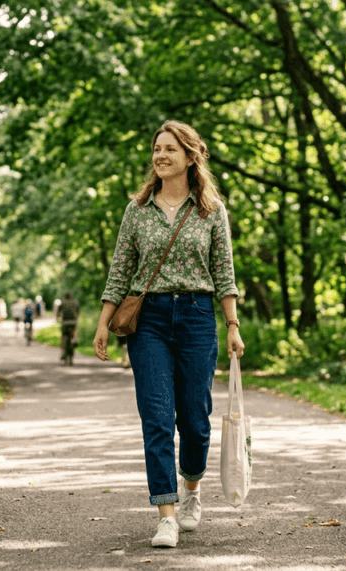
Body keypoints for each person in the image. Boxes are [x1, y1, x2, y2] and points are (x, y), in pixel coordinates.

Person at [93, 120, 245, 549]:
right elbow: (120, 270)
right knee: (157, 419)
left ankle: (191, 487)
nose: (160, 156)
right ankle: (166, 514)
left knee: (195, 422)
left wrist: (232, 326)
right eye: (156, 149)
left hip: (198, 317)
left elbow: (224, 274)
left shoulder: (212, 211)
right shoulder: (137, 210)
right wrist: (104, 322)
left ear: (190, 157)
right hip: (151, 320)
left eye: (169, 149)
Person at [57, 291, 80, 365]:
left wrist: (58, 319)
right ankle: (71, 358)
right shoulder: (75, 303)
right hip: (73, 323)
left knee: (64, 337)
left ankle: (63, 353)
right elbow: (78, 313)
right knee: (72, 338)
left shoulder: (62, 303)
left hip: (65, 323)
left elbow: (58, 314)